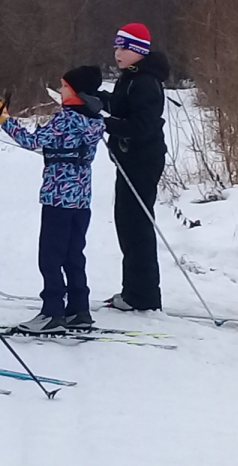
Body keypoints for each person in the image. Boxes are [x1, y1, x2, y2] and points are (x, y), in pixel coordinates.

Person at [0, 66, 105, 333]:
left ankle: (52, 312)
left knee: (50, 256)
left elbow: (31, 141)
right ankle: (79, 309)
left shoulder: (66, 120)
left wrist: (3, 119)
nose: (61, 91)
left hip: (57, 197)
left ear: (76, 92)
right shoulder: (95, 121)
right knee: (74, 254)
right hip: (81, 199)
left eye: (64, 87)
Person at [99, 23, 170, 311]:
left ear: (138, 50)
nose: (117, 52)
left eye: (123, 47)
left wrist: (104, 122)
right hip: (128, 161)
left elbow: (141, 126)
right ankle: (132, 291)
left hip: (142, 161)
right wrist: (97, 100)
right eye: (116, 46)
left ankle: (143, 296)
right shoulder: (130, 78)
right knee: (126, 225)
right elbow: (120, 106)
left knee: (137, 226)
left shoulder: (146, 82)